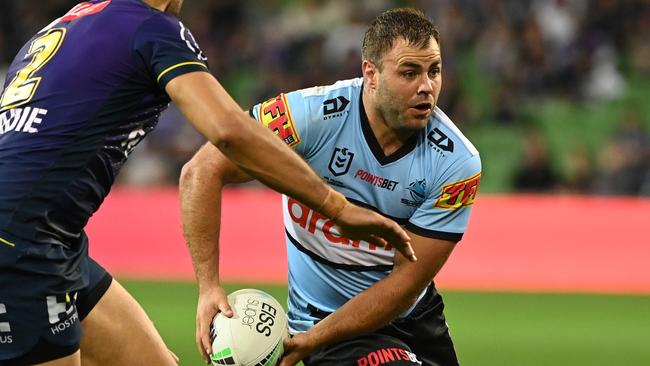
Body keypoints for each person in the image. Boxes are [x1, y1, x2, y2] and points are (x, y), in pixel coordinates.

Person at [0, 1, 414, 365]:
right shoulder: (151, 28)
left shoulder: (67, 24)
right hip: (23, 244)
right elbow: (229, 130)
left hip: (52, 239)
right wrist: (336, 206)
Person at [181, 8, 481, 366]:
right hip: (322, 322)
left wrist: (310, 342)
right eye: (409, 72)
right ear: (371, 73)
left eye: (434, 71)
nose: (426, 87)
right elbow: (201, 170)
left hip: (412, 318)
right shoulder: (311, 117)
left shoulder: (457, 163)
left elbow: (405, 282)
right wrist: (208, 287)